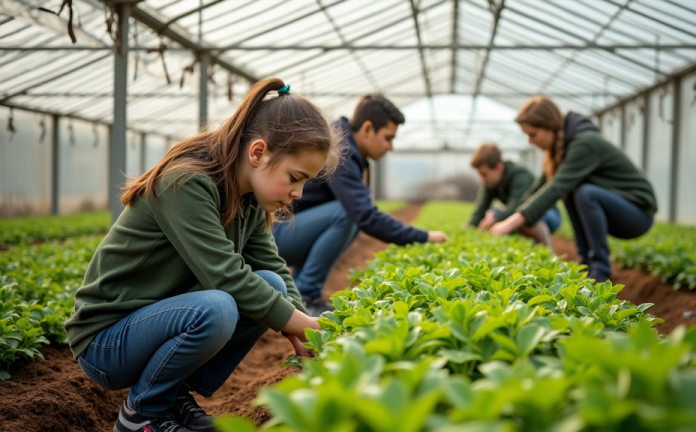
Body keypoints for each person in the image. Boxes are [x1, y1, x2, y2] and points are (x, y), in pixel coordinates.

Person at [63, 79, 341, 432]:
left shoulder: (249, 200)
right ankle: (141, 415)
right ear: (258, 153)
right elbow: (225, 277)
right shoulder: (186, 182)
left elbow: (273, 267)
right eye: (295, 177)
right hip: (106, 340)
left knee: (271, 284)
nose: (299, 193)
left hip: (156, 326)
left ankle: (171, 395)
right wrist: (306, 322)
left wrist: (300, 331)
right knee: (220, 305)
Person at [273, 94, 447, 316]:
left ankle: (299, 296)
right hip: (274, 237)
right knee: (347, 213)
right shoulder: (341, 150)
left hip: (292, 231)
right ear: (367, 129)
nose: (390, 147)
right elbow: (365, 215)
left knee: (349, 213)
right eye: (387, 138)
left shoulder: (346, 147)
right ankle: (307, 294)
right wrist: (423, 236)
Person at [490, 96, 656, 282]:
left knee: (585, 193)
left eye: (533, 134)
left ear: (549, 126)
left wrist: (512, 222)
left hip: (637, 215)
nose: (530, 141)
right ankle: (585, 264)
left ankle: (600, 272)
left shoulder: (584, 144)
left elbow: (555, 188)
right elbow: (537, 190)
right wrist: (508, 216)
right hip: (619, 211)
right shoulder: (560, 150)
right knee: (574, 192)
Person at [468, 143, 561, 247]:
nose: (481, 179)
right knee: (493, 213)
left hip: (548, 215)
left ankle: (545, 250)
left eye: (484, 174)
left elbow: (518, 207)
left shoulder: (520, 176)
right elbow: (481, 208)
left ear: (499, 168)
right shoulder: (489, 183)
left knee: (517, 217)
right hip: (520, 212)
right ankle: (523, 246)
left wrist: (496, 218)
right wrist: (468, 229)